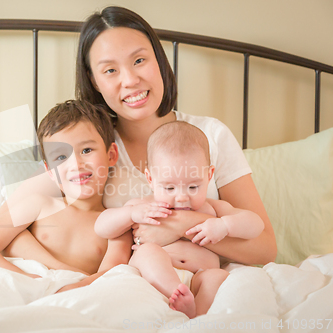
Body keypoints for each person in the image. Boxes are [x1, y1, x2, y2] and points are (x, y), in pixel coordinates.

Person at [73, 6, 277, 266]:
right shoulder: (92, 149)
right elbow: (35, 216)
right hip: (136, 284)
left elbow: (266, 249)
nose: (130, 80)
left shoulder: (212, 135)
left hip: (211, 282)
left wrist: (182, 224)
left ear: (159, 60)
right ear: (93, 81)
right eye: (110, 70)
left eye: (139, 60)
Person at [95, 121, 264, 318]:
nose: (182, 197)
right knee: (148, 252)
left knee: (219, 276)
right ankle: (175, 291)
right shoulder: (143, 206)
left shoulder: (212, 208)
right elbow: (102, 227)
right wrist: (130, 214)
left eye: (193, 187)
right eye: (169, 188)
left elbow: (256, 224)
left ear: (208, 175)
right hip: (158, 279)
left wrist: (225, 225)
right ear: (150, 179)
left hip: (201, 276)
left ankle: (196, 312)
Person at [0, 100, 132, 292]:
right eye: (61, 157)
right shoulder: (38, 205)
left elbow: (110, 275)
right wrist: (26, 280)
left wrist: (70, 289)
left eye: (86, 150)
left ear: (111, 155)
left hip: (76, 295)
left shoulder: (116, 224)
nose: (76, 164)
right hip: (25, 286)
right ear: (50, 171)